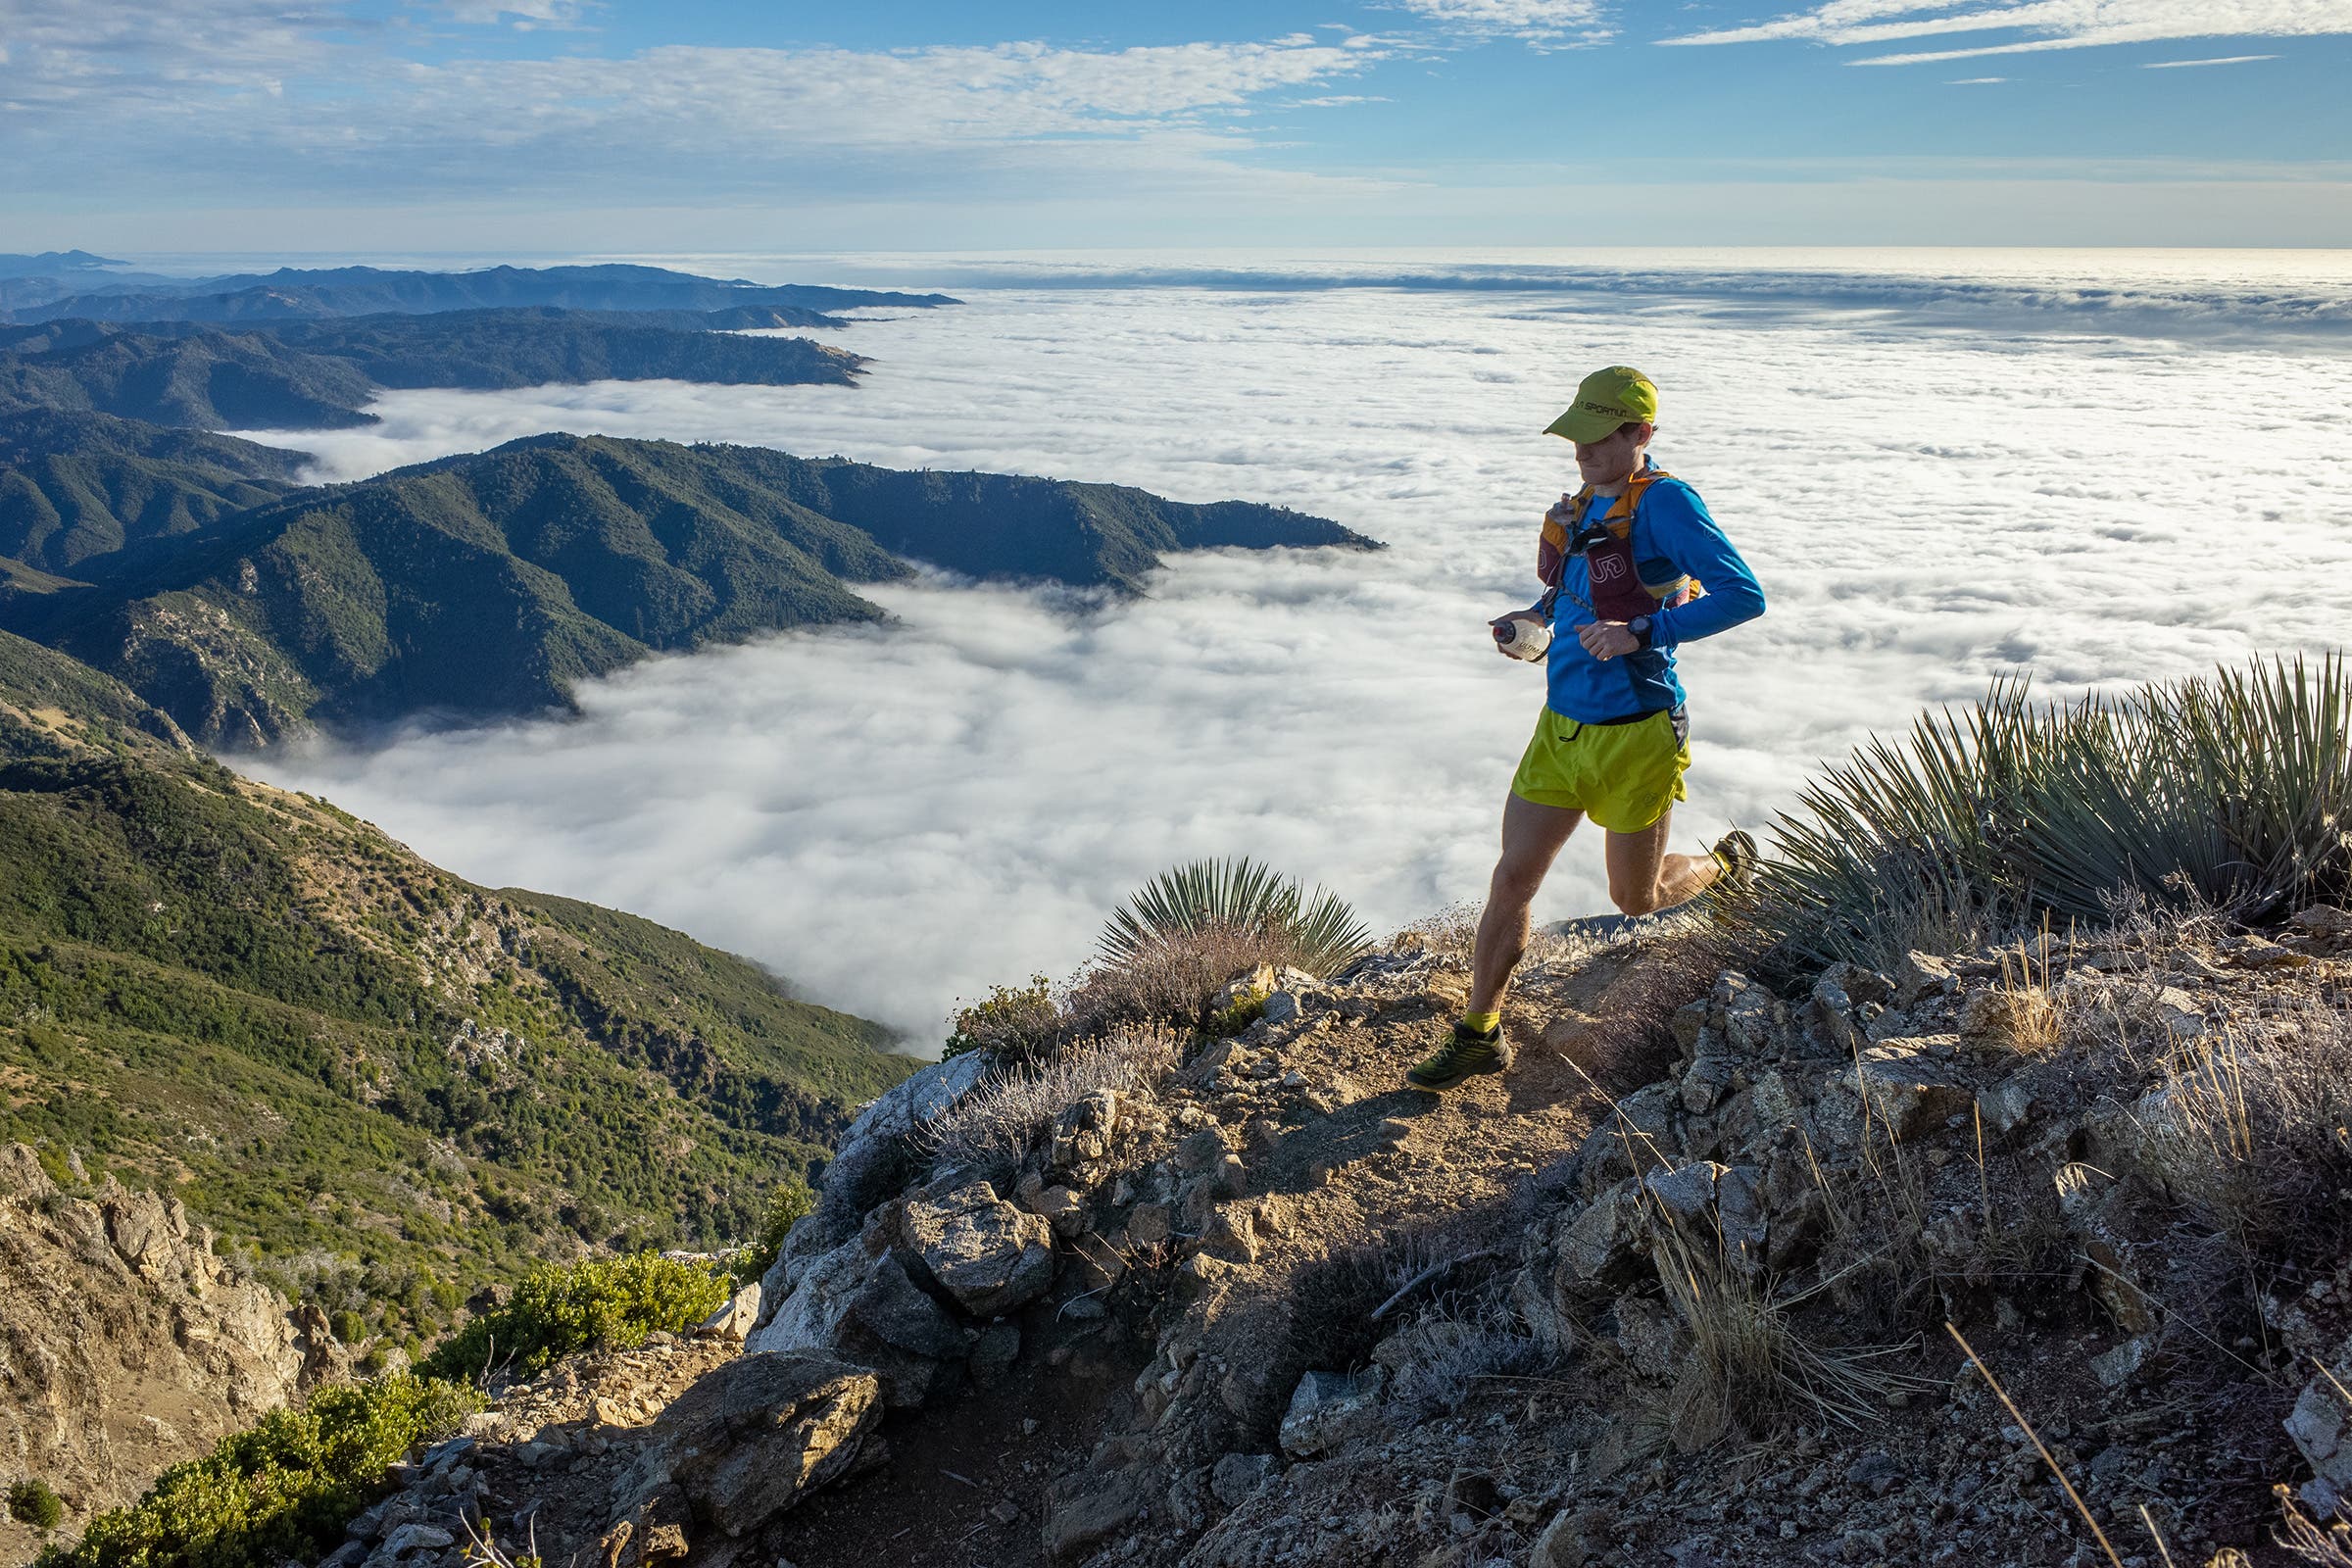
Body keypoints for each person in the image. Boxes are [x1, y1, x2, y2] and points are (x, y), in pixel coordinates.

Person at [1409, 366, 1768, 1093]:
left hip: (1638, 733)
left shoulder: (1668, 506)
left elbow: (1744, 596)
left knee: (1634, 901)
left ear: (1641, 434)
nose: (1580, 452)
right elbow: (1572, 593)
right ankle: (1479, 1034)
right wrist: (1532, 622)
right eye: (1575, 437)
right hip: (1560, 727)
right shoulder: (1583, 504)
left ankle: (1726, 866)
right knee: (1512, 879)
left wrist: (1642, 630)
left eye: (1597, 439)